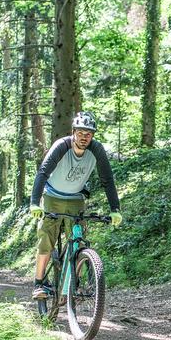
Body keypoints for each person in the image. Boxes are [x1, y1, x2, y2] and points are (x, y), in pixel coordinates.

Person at [29, 111, 122, 299]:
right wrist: (34, 203)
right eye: (80, 133)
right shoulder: (61, 146)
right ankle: (39, 284)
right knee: (46, 238)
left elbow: (107, 179)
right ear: (73, 132)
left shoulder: (96, 149)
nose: (84, 137)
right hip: (52, 197)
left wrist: (115, 209)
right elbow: (43, 173)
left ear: (93, 135)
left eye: (88, 134)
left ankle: (74, 285)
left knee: (78, 240)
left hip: (76, 199)